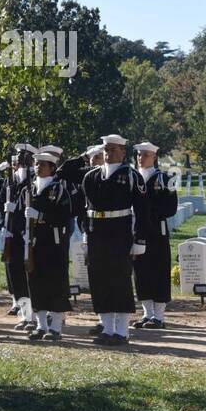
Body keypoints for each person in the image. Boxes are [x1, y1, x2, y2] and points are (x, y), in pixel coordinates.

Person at [80, 135, 151, 346]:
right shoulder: (91, 177)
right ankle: (107, 329)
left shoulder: (132, 176)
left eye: (112, 150)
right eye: (105, 149)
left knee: (119, 280)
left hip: (119, 233)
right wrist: (85, 234)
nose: (108, 153)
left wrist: (140, 239)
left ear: (122, 152)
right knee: (100, 280)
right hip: (96, 234)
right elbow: (85, 210)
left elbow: (142, 211)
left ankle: (122, 331)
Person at [23, 149, 73, 341]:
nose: (38, 167)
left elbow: (64, 217)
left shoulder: (59, 189)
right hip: (34, 241)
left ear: (52, 168)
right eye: (36, 164)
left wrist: (41, 216)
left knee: (55, 283)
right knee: (36, 283)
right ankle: (41, 325)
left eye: (42, 164)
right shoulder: (30, 189)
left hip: (53, 242)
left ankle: (56, 327)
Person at [132, 142, 177, 330]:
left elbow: (171, 207)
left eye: (145, 155)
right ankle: (147, 313)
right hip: (137, 231)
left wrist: (148, 212)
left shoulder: (166, 178)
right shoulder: (133, 178)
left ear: (154, 157)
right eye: (139, 155)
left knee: (158, 271)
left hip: (156, 231)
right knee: (141, 272)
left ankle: (158, 316)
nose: (141, 158)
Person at [1, 144, 37, 332]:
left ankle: (35, 316)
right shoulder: (12, 180)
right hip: (12, 235)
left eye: (25, 156)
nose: (21, 159)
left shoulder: (35, 179)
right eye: (19, 156)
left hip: (29, 235)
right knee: (16, 275)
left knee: (30, 275)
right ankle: (25, 315)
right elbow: (2, 204)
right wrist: (3, 225)